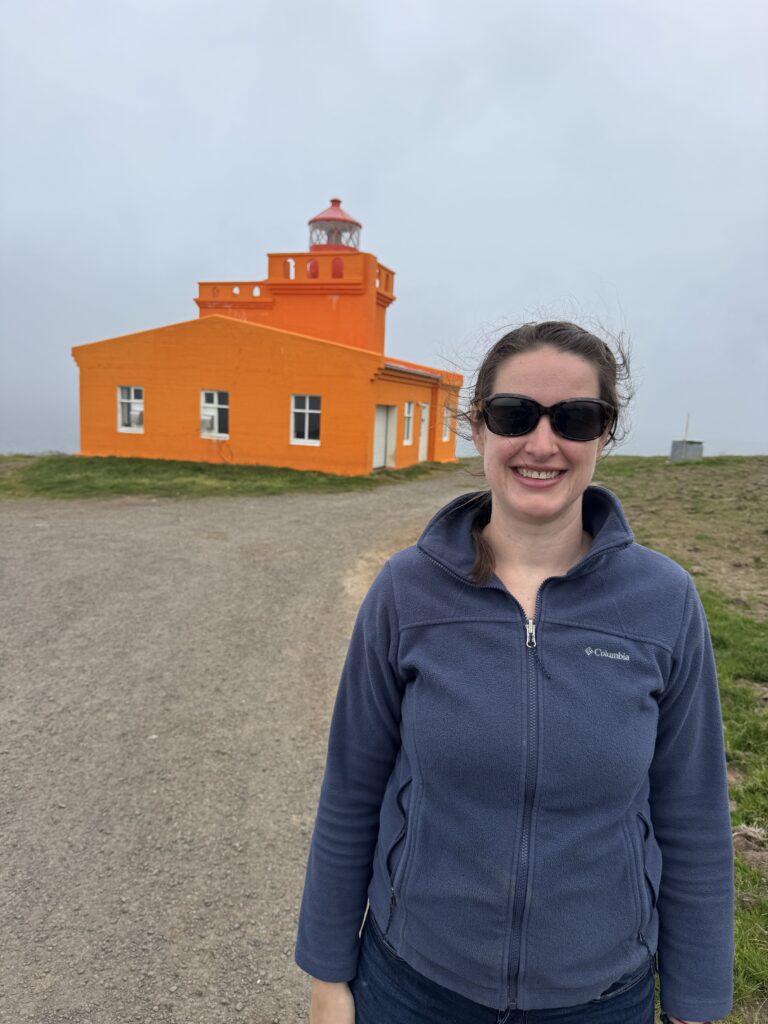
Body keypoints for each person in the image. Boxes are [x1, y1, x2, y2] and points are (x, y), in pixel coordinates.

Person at [294, 321, 734, 1024]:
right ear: (479, 427)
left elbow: (693, 814)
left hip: (598, 999)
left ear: (604, 433)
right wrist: (327, 974)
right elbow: (352, 788)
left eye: (575, 418)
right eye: (514, 414)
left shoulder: (664, 600)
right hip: (412, 987)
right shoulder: (406, 591)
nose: (542, 442)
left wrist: (696, 1000)